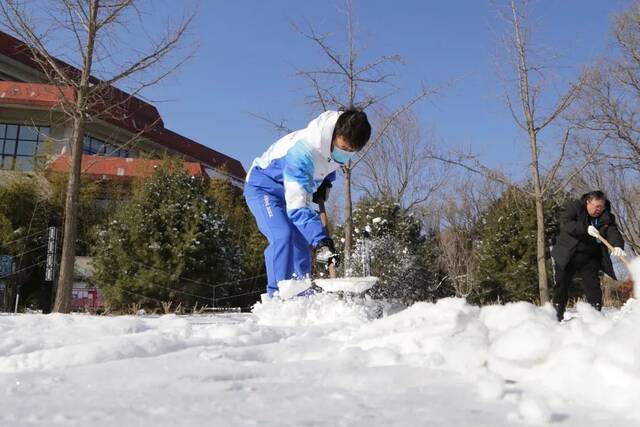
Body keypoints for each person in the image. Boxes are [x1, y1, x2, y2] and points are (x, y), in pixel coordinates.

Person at [244, 109, 371, 296]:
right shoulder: (302, 153)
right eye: (344, 149)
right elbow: (297, 207)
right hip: (265, 188)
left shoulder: (336, 147)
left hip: (290, 191)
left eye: (352, 152)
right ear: (335, 133)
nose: (346, 154)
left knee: (300, 242)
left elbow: (328, 164)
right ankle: (277, 295)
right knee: (283, 235)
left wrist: (326, 182)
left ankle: (301, 294)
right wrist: (321, 241)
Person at [550, 190, 626, 321]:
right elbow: (566, 223)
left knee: (593, 286)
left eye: (601, 207)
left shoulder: (606, 216)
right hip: (568, 253)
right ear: (588, 203)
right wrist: (585, 228)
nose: (599, 210)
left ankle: (595, 315)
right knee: (561, 285)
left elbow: (613, 232)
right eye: (596, 207)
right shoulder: (575, 207)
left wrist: (618, 245)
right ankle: (557, 315)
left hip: (590, 256)